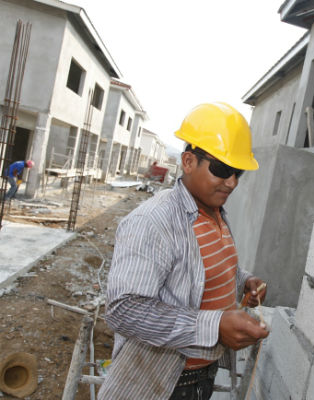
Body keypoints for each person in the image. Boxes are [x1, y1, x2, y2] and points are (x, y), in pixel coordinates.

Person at [100, 102, 269, 400]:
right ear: (189, 162)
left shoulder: (215, 213)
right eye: (222, 169)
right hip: (160, 381)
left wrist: (244, 281)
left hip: (202, 374)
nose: (231, 182)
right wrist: (215, 327)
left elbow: (202, 268)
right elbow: (123, 309)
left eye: (238, 172)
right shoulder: (153, 221)